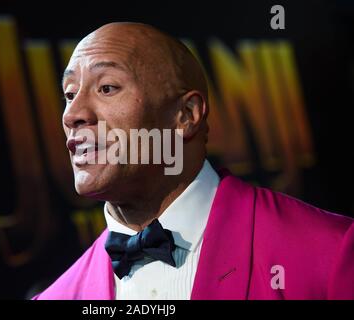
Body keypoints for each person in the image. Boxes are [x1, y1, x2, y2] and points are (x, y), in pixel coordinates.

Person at [32, 22, 354, 300]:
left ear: (185, 115)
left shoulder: (330, 253)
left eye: (107, 87)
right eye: (70, 94)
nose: (73, 115)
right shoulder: (56, 295)